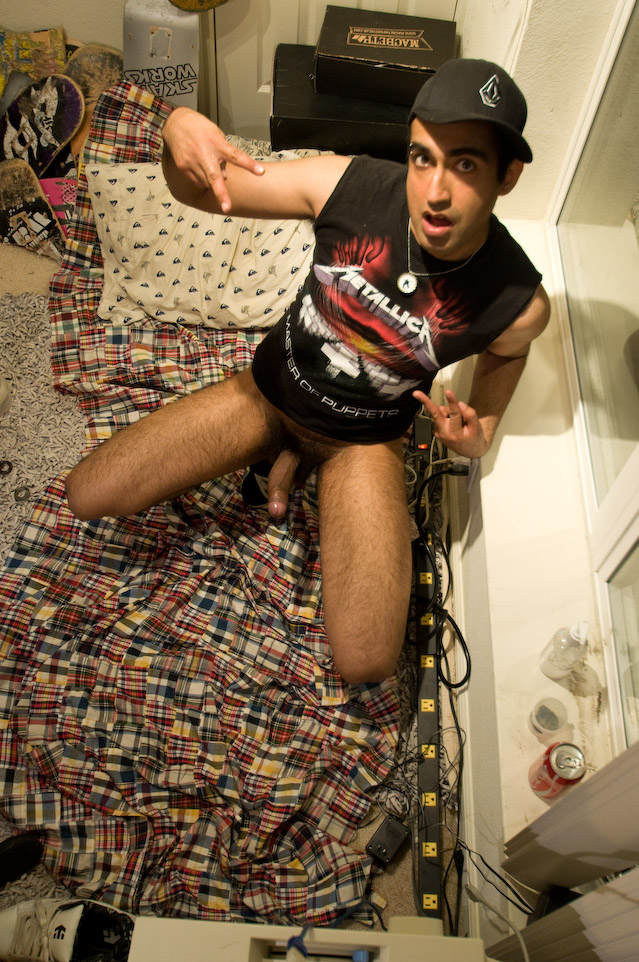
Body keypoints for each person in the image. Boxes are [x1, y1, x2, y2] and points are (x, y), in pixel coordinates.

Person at [65, 58, 550, 686]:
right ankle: (284, 450)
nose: (434, 191)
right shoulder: (346, 183)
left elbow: (510, 351)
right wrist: (176, 127)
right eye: (422, 158)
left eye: (464, 165)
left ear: (507, 175)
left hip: (362, 444)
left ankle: (303, 462)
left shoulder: (516, 300)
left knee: (366, 660)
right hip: (267, 394)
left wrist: (481, 430)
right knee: (87, 495)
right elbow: (202, 190)